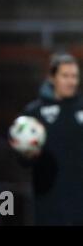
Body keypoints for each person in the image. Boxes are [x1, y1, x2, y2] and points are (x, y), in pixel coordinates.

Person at [11, 52, 83, 225]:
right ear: (52, 77)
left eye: (75, 76)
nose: (71, 81)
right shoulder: (34, 113)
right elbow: (22, 161)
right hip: (49, 203)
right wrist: (27, 154)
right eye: (65, 76)